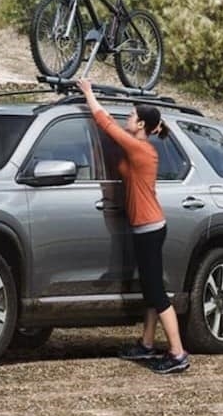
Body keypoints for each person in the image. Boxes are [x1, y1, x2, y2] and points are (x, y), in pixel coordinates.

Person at [77, 79, 190, 374]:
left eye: (130, 116)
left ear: (140, 124)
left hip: (150, 228)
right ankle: (147, 344)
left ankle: (178, 354)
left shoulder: (140, 148)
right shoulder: (138, 146)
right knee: (151, 288)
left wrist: (89, 93)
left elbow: (105, 123)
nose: (126, 119)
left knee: (156, 293)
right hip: (147, 227)